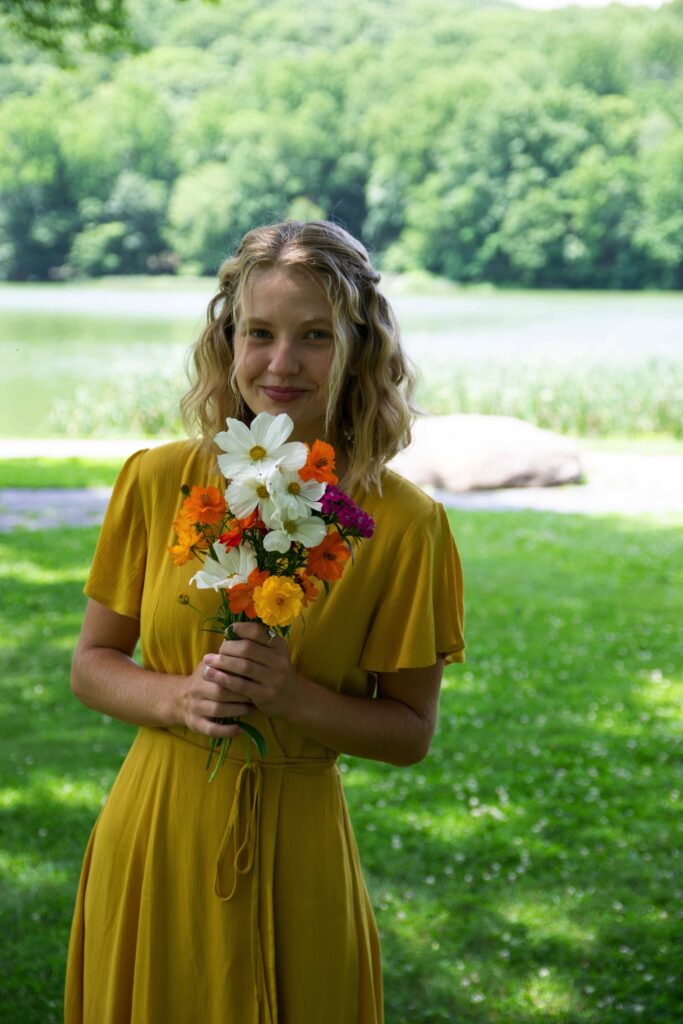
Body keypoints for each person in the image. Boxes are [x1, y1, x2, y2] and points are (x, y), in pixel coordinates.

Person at [64, 220, 465, 1024]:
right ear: (228, 339)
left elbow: (409, 731)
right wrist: (175, 701)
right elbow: (92, 664)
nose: (282, 363)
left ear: (358, 346)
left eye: (314, 336)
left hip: (298, 843)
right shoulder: (158, 480)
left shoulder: (401, 521)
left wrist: (290, 698)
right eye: (260, 333)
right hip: (155, 831)